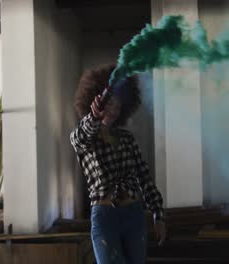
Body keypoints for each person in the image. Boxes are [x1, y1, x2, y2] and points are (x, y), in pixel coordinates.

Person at [70, 64, 166, 264]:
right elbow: (82, 135)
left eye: (118, 105)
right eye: (109, 104)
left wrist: (158, 214)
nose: (113, 110)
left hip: (133, 215)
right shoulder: (84, 138)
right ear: (95, 101)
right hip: (105, 216)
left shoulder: (127, 138)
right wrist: (94, 116)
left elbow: (144, 176)